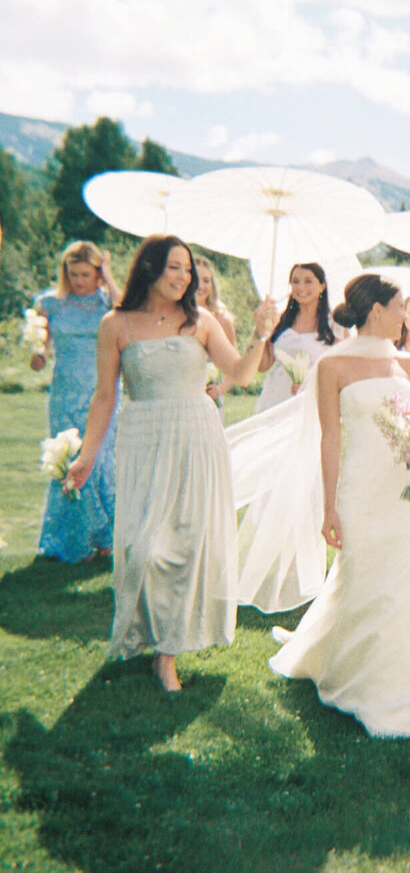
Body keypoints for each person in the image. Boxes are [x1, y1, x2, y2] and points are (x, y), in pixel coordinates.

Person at [235, 273, 410, 737]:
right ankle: (357, 670)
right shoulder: (333, 364)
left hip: (409, 491)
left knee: (402, 581)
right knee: (363, 575)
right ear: (377, 311)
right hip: (361, 490)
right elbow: (330, 439)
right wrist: (329, 508)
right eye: (399, 309)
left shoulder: (405, 363)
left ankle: (405, 668)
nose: (404, 317)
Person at [66, 235, 274, 693]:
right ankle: (147, 633)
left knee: (186, 545)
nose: (184, 277)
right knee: (143, 547)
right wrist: (86, 456)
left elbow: (241, 373)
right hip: (143, 439)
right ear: (150, 269)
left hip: (197, 438)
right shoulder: (115, 324)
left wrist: (261, 333)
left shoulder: (201, 321)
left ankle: (167, 655)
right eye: (174, 267)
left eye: (188, 269)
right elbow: (105, 396)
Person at [32, 241, 121, 563]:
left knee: (98, 459)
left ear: (96, 273)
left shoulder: (107, 303)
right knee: (66, 457)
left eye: (86, 274)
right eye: (73, 274)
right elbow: (41, 347)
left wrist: (108, 275)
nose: (79, 281)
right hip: (65, 391)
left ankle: (106, 536)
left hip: (101, 389)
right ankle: (69, 540)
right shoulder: (51, 303)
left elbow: (128, 309)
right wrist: (38, 356)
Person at [256, 262, 337, 412]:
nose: (301, 287)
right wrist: (263, 332)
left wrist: (310, 385)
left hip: (311, 402)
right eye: (295, 282)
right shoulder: (281, 320)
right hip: (275, 399)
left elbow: (338, 371)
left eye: (308, 281)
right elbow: (263, 366)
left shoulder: (333, 325)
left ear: (322, 286)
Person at [194, 256, 236, 412]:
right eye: (196, 279)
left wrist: (221, 389)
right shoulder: (173, 316)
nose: (201, 286)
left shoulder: (222, 320)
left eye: (206, 281)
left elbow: (235, 366)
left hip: (209, 399)